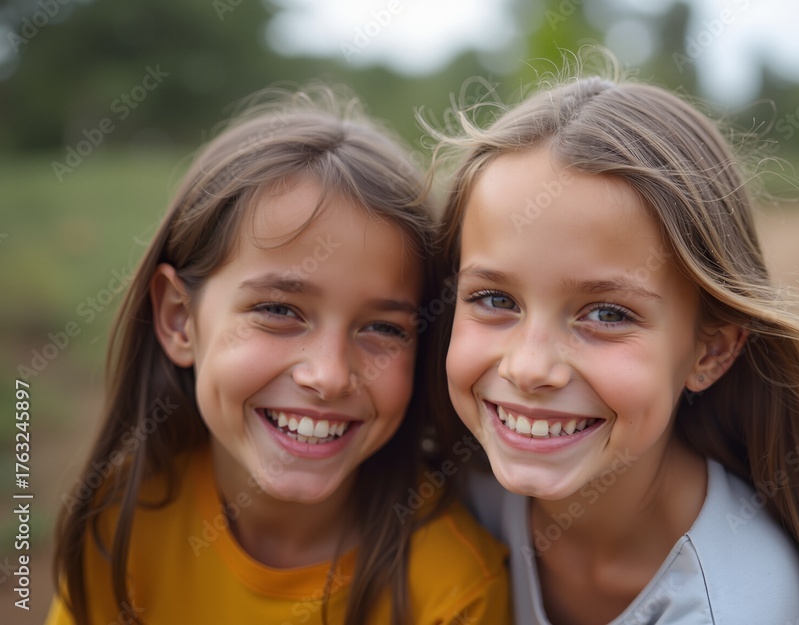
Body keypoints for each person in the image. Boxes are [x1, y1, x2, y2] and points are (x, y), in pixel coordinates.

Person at [430, 65, 799, 624]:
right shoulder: (447, 494)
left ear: (710, 352)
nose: (530, 367)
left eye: (608, 313)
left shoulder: (738, 608)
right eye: (494, 299)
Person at [45, 86, 510, 625]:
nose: (330, 376)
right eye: (280, 311)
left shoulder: (453, 588)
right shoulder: (121, 520)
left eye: (383, 327)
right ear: (178, 318)